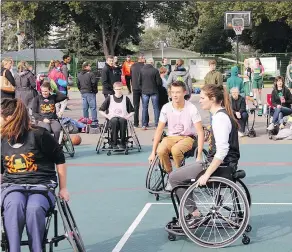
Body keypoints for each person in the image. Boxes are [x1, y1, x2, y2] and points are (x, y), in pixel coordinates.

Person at [1, 98, 69, 252]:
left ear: (10, 119)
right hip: (12, 185)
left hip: (41, 185)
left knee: (34, 208)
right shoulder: (2, 139)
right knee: (14, 205)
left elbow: (60, 159)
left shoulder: (39, 135)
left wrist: (63, 188)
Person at [168, 84, 240, 225]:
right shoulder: (222, 115)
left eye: (202, 98)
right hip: (226, 165)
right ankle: (194, 214)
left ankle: (195, 214)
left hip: (221, 168)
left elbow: (222, 151)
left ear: (212, 99)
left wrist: (207, 174)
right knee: (184, 172)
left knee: (174, 178)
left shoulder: (220, 119)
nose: (199, 100)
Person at [148, 81, 205, 188]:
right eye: (173, 92)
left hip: (188, 137)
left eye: (178, 92)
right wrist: (152, 152)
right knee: (160, 150)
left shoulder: (191, 108)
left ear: (184, 93)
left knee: (175, 150)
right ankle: (171, 176)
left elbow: (200, 131)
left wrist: (199, 155)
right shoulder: (166, 107)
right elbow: (159, 130)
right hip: (171, 137)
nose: (174, 95)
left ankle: (179, 175)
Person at [99, 82, 134, 149]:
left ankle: (123, 143)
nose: (119, 91)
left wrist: (127, 116)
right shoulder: (109, 98)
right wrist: (107, 116)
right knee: (114, 121)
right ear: (114, 89)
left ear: (122, 89)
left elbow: (132, 111)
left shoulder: (126, 98)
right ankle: (114, 143)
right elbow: (101, 110)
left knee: (122, 121)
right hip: (112, 118)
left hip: (122, 118)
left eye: (120, 89)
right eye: (117, 89)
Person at [139, 58, 162, 129]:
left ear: (147, 62)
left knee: (144, 108)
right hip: (154, 91)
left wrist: (142, 88)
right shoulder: (155, 70)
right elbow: (159, 82)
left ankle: (144, 124)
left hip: (144, 91)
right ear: (152, 63)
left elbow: (139, 81)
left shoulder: (142, 70)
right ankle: (157, 124)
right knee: (156, 108)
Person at [130, 54, 146, 127]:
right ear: (141, 59)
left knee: (136, 106)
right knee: (144, 106)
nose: (144, 59)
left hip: (135, 88)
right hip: (143, 88)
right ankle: (145, 122)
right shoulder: (144, 67)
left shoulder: (133, 66)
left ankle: (136, 123)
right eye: (144, 58)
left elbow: (131, 76)